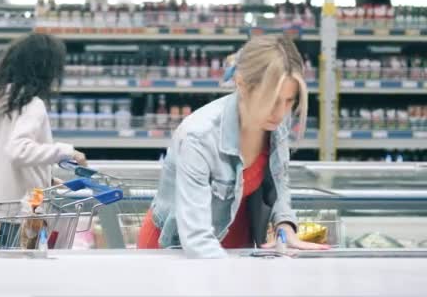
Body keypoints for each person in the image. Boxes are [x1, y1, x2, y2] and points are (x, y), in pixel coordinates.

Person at [137, 35, 329, 258]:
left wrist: (284, 227)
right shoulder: (199, 137)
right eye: (272, 100)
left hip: (238, 245)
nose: (280, 113)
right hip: (174, 252)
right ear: (241, 84)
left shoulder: (275, 126)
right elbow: (196, 240)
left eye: (289, 101)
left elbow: (279, 182)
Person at [0, 33, 87, 214]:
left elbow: (5, 161)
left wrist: (46, 180)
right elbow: (18, 150)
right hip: (18, 217)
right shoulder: (31, 104)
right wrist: (68, 153)